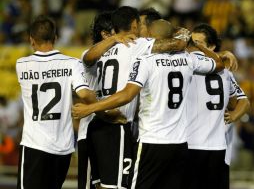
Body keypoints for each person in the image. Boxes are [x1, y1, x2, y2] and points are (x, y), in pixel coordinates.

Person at [72, 19, 226, 189]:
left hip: (151, 141)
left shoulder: (145, 61)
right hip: (179, 143)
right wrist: (200, 47)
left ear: (152, 38)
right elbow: (219, 64)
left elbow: (127, 95)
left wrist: (90, 108)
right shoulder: (188, 60)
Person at [16, 15, 96, 189]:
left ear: (31, 40)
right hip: (63, 148)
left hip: (34, 145)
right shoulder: (72, 63)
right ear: (56, 38)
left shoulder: (21, 64)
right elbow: (84, 93)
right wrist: (102, 104)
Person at [185, 23, 250, 189]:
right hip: (217, 146)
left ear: (211, 46)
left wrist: (234, 115)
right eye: (192, 42)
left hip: (191, 144)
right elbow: (241, 101)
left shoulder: (186, 66)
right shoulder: (225, 72)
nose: (192, 47)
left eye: (198, 43)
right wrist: (233, 115)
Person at [77, 11, 132, 189]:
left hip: (94, 129)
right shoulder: (93, 53)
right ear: (105, 33)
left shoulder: (109, 51)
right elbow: (88, 59)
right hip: (97, 126)